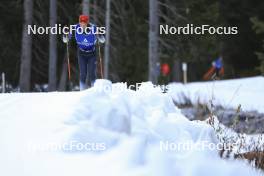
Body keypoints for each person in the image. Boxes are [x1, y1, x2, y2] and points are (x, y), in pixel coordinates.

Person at [63, 15, 105, 90]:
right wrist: (65, 35)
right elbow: (65, 40)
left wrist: (100, 35)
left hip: (92, 53)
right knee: (83, 73)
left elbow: (102, 40)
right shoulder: (75, 28)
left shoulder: (93, 28)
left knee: (92, 73)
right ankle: (82, 91)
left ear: (87, 22)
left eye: (84, 23)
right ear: (79, 22)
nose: (83, 25)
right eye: (81, 23)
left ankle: (94, 90)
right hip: (81, 53)